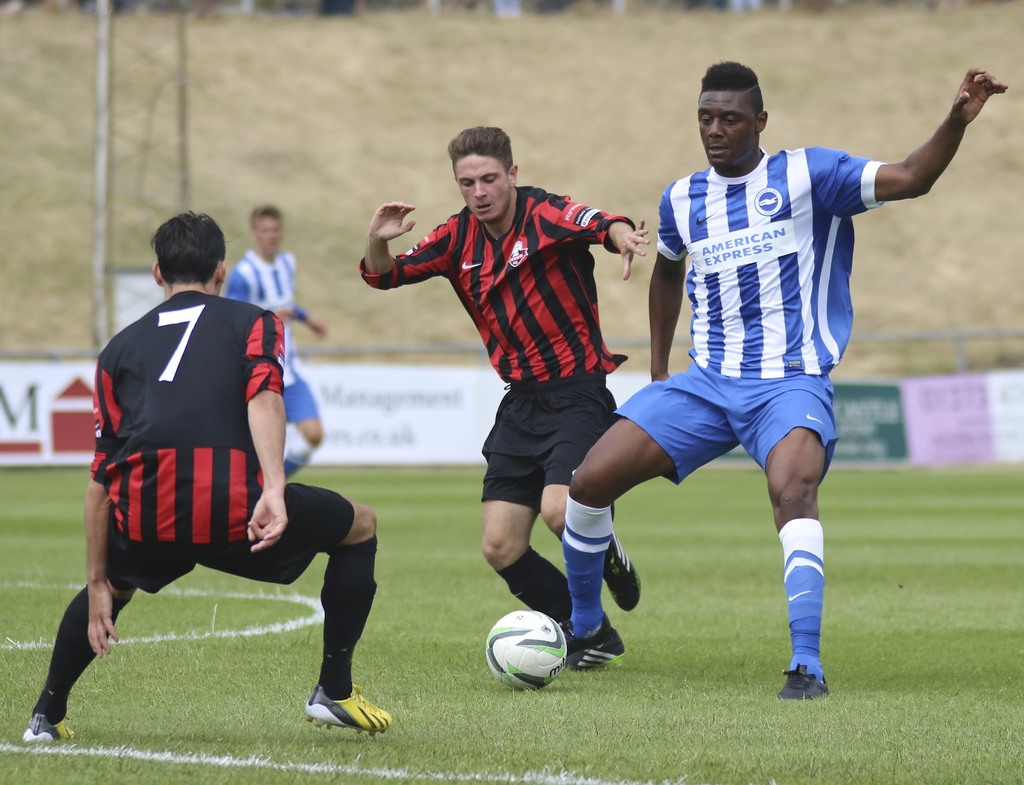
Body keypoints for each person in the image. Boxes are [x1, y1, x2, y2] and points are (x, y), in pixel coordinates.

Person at [560, 63, 1007, 698]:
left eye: (730, 119)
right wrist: (660, 369)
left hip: (789, 381)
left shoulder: (809, 174)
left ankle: (806, 664)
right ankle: (589, 631)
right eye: (706, 118)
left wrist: (955, 121)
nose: (715, 130)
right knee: (587, 483)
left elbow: (912, 177)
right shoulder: (682, 197)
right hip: (708, 384)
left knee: (792, 491)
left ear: (760, 122)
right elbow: (666, 272)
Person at [23, 212, 392, 743]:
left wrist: (99, 580)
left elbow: (102, 480)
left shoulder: (117, 350)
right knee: (359, 525)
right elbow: (265, 395)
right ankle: (333, 689)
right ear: (222, 271)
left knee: (115, 584)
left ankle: (45, 716)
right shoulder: (256, 320)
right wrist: (273, 489)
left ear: (157, 274)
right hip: (236, 513)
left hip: (150, 518)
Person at [361, 126, 649, 669]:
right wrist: (379, 239)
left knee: (560, 512)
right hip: (520, 402)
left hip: (577, 391)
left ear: (512, 174)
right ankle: (594, 635)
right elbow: (384, 278)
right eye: (467, 182)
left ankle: (604, 551)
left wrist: (621, 236)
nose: (479, 191)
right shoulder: (456, 237)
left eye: (489, 178)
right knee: (500, 547)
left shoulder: (544, 214)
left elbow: (595, 222)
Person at [226, 205, 328, 477]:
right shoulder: (244, 274)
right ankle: (262, 487)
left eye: (275, 230)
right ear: (254, 233)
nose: (270, 236)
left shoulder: (287, 263)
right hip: (258, 369)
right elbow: (232, 319)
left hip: (290, 370)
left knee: (313, 434)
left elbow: (288, 304)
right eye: (265, 230)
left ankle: (271, 485)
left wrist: (308, 319)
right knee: (256, 444)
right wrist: (269, 317)